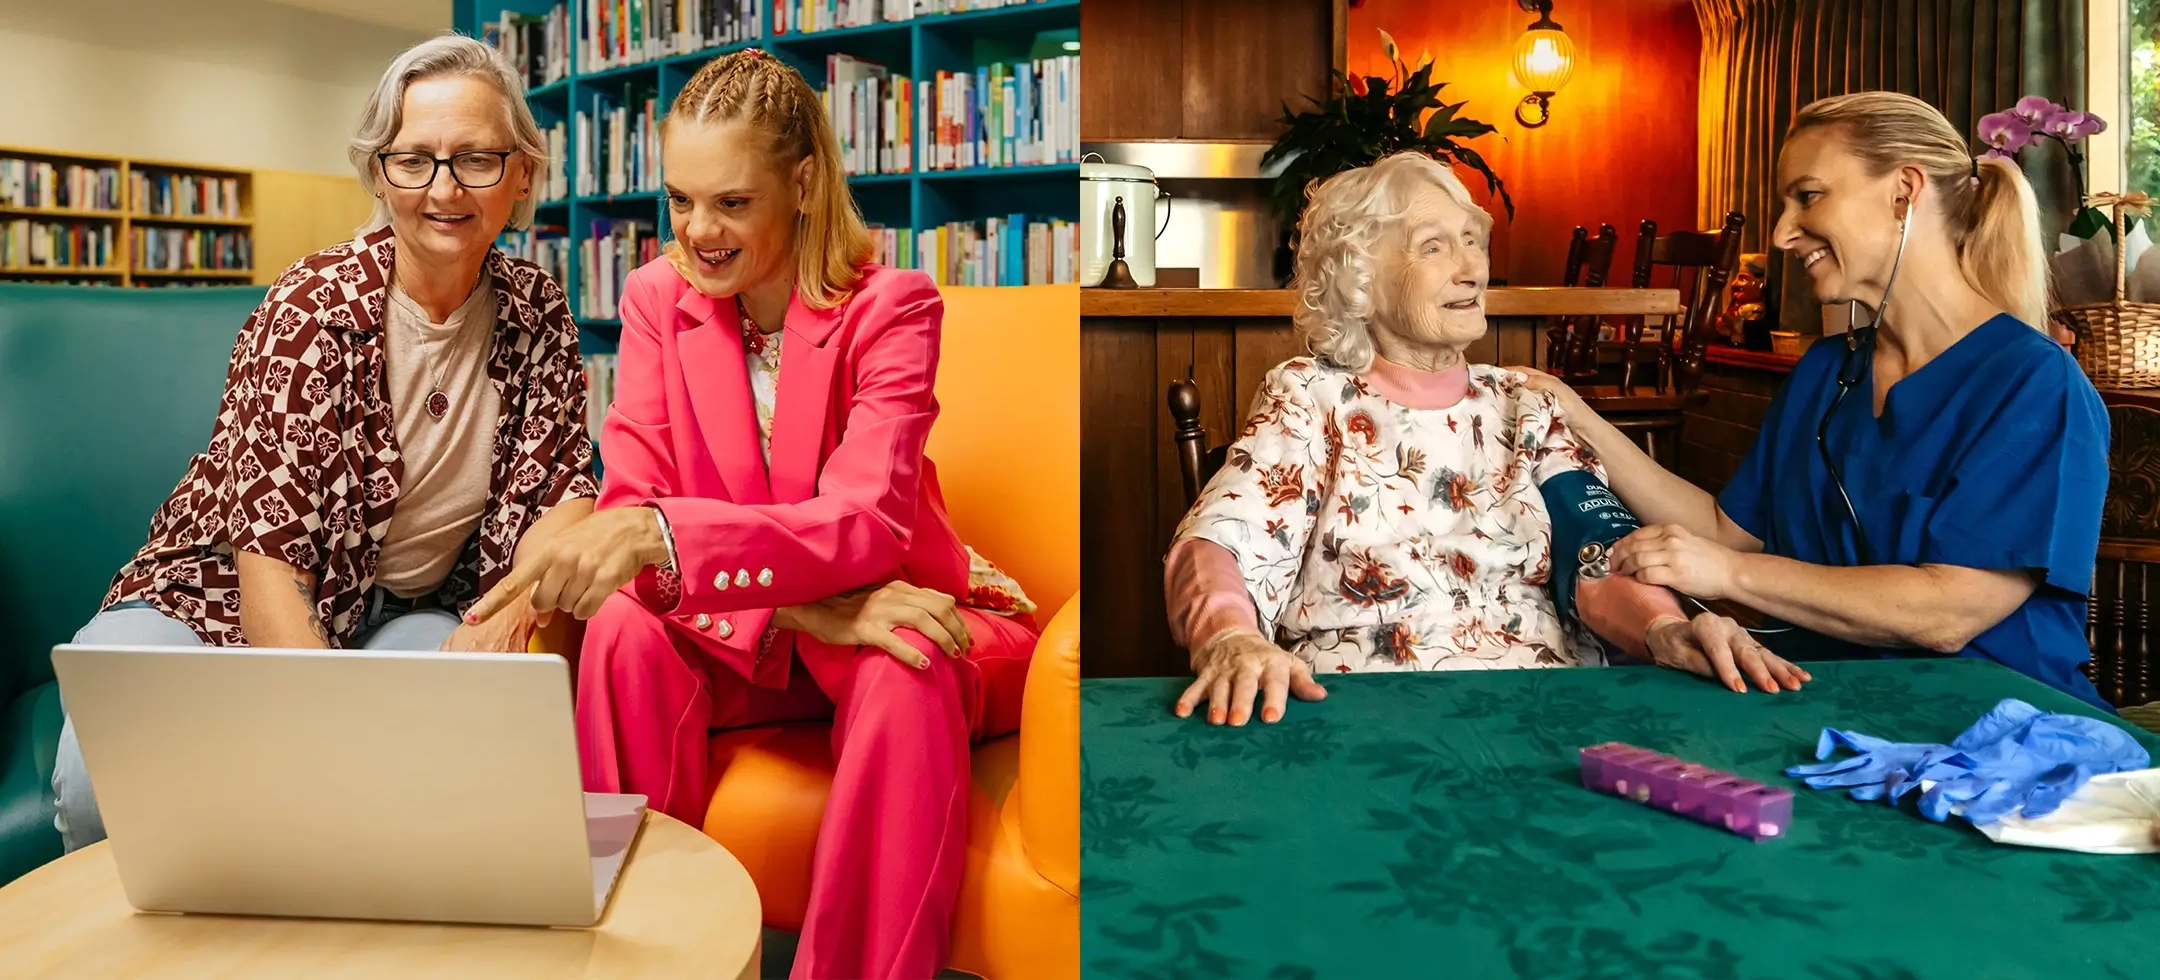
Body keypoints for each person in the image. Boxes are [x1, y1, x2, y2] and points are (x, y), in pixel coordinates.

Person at [463, 49, 1038, 980]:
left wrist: (672, 544)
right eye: (680, 201)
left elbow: (868, 524)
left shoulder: (893, 308)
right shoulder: (657, 298)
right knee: (619, 631)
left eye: (731, 202)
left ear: (803, 182)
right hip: (768, 629)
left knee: (908, 662)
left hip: (915, 605)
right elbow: (633, 504)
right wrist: (800, 604)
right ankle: (630, 953)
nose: (699, 232)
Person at [47, 34, 596, 852]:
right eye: (414, 160)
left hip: (403, 609)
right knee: (103, 793)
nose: (444, 188)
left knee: (445, 769)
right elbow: (267, 574)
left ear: (521, 175)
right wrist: (328, 746)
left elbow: (566, 492)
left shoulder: (538, 307)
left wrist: (514, 606)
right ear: (380, 174)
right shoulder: (313, 309)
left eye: (476, 159)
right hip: (218, 597)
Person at [1163, 152, 1810, 729]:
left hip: (1540, 709)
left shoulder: (1526, 404)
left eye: (1474, 242)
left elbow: (1597, 549)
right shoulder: (1312, 397)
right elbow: (1223, 538)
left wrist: (1664, 626)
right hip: (1359, 717)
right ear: (1360, 280)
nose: (1473, 267)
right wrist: (1228, 636)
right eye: (1435, 246)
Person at [1521, 91, 2112, 709]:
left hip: (2000, 732)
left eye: (1808, 196)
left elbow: (1950, 611)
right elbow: (1729, 531)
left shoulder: (2034, 383)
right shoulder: (1829, 369)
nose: (1780, 234)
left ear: (1904, 191)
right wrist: (1577, 414)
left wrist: (1725, 574)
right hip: (1826, 706)